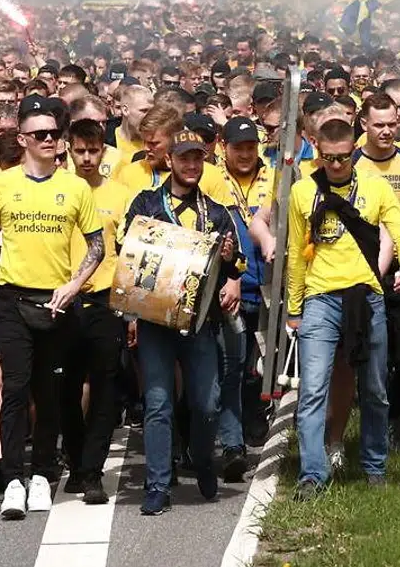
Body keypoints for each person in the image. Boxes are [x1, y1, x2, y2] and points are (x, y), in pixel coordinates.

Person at [0, 97, 103, 520]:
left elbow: (97, 245)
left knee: (50, 392)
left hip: (56, 303)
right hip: (9, 299)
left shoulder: (77, 186)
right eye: (40, 134)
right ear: (22, 138)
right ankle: (11, 478)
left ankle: (43, 474)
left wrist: (73, 285)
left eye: (54, 134)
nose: (49, 140)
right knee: (13, 388)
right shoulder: (2, 185)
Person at [287, 118, 400, 498]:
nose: (337, 165)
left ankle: (375, 464)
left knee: (374, 388)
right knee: (312, 390)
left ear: (353, 152)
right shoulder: (302, 192)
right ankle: (312, 473)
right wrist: (295, 308)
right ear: (318, 152)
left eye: (344, 158)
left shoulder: (375, 188)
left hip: (367, 297)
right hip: (319, 299)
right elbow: (296, 255)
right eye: (329, 158)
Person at [123, 128, 243, 515]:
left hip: (200, 323)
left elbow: (235, 267)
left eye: (198, 158)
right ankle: (157, 484)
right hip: (157, 320)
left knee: (207, 403)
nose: (192, 165)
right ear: (169, 160)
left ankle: (203, 458)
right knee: (158, 402)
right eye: (184, 158)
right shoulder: (145, 204)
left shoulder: (218, 212)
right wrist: (130, 315)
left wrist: (227, 258)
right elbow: (129, 255)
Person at [351, 94, 400, 445]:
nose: (386, 131)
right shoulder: (351, 163)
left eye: (391, 124)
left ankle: (396, 410)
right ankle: (379, 422)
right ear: (364, 124)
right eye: (378, 124)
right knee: (373, 357)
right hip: (363, 270)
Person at [61, 117, 131, 505]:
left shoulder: (120, 194)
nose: (86, 158)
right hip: (62, 300)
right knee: (66, 388)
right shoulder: (59, 190)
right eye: (80, 151)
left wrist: (129, 309)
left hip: (105, 299)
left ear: (103, 152)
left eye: (93, 151)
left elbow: (129, 252)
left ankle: (92, 471)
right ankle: (74, 460)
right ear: (68, 150)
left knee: (105, 388)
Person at [219, 115, 275, 466]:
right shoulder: (213, 179)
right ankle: (232, 436)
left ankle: (256, 413)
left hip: (268, 284)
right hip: (230, 285)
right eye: (237, 147)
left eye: (250, 147)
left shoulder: (275, 176)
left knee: (260, 360)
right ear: (224, 147)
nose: (244, 154)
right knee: (232, 363)